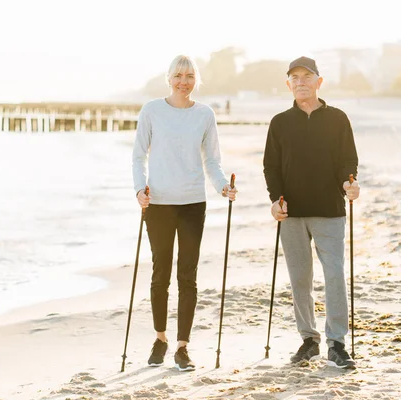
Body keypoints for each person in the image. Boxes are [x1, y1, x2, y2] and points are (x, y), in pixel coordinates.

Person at [132, 54, 237, 372]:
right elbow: (138, 156)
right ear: (169, 78)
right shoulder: (151, 110)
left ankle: (182, 347)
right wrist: (140, 189)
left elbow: (212, 162)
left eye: (189, 76)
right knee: (160, 273)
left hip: (193, 203)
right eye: (178, 75)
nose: (183, 81)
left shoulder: (205, 114)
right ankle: (161, 339)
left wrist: (222, 187)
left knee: (187, 276)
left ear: (196, 80)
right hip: (159, 203)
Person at [262, 56, 360, 369]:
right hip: (291, 213)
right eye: (294, 77)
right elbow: (271, 166)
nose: (300, 82)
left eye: (307, 76)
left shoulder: (338, 118)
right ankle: (308, 339)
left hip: (329, 210)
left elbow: (348, 160)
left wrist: (349, 183)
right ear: (288, 84)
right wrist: (275, 199)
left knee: (334, 275)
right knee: (300, 278)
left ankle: (336, 343)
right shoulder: (280, 122)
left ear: (319, 81)